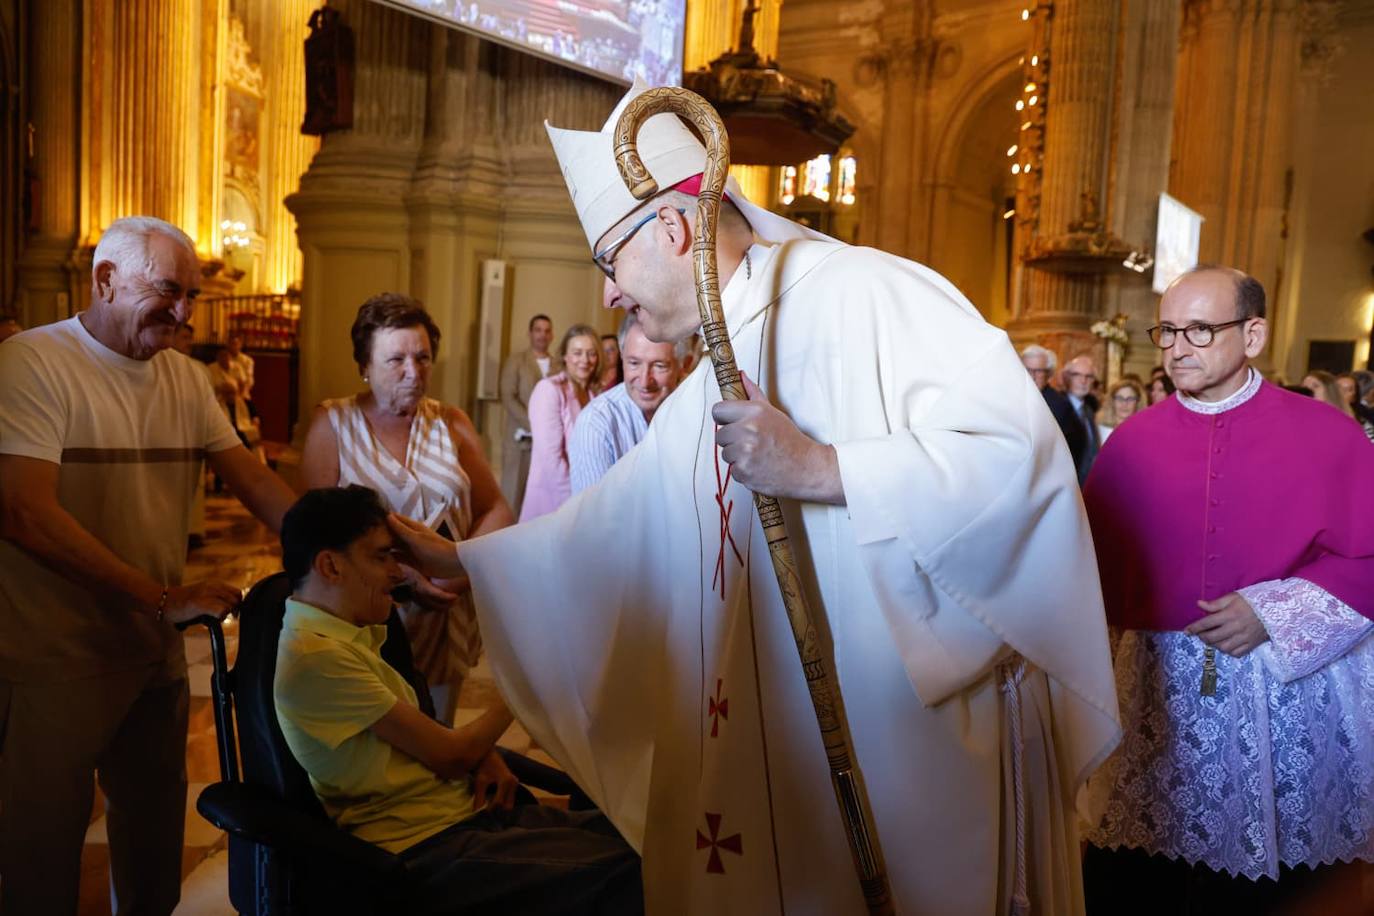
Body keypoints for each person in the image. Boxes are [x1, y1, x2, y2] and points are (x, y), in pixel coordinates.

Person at [389, 81, 1119, 915]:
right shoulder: (724, 353)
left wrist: (825, 468)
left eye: (608, 263)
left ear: (672, 227)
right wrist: (465, 560)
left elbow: (1017, 460)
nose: (609, 296)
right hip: (778, 749)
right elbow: (621, 521)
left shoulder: (862, 292)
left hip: (906, 748)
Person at [0, 215, 297, 915]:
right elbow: (22, 512)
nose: (186, 312)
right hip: (52, 658)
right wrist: (161, 598)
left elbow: (256, 486)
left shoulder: (187, 382)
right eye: (169, 291)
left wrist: (341, 552)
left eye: (193, 296)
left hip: (150, 656)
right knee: (39, 860)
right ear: (105, 279)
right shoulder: (32, 364)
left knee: (151, 857)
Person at [1081, 266, 1374, 913]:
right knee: (1138, 873)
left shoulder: (1329, 435)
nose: (1176, 348)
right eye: (1168, 331)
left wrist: (1270, 611)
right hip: (1155, 692)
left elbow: (1368, 554)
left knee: (1274, 888)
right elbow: (1091, 574)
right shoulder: (1130, 443)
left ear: (1253, 334)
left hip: (1283, 690)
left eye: (1199, 330)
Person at [275, 485, 643, 915]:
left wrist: (479, 755)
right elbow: (450, 756)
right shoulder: (316, 656)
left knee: (642, 836)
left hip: (460, 814)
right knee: (633, 872)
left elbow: (421, 742)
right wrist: (525, 679)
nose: (398, 573)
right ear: (330, 565)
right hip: (424, 847)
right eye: (381, 557)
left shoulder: (346, 635)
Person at [299, 293, 513, 721]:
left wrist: (454, 574)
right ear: (364, 365)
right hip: (362, 619)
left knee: (436, 727)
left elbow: (497, 510)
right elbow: (310, 536)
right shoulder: (333, 424)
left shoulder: (450, 422)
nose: (413, 373)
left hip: (443, 615)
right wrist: (405, 577)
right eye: (395, 360)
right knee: (375, 748)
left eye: (423, 357)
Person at [569, 303, 690, 493]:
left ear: (682, 365)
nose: (644, 380)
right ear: (622, 359)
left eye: (659, 366)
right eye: (634, 363)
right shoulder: (596, 423)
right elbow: (594, 519)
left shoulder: (696, 414)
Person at [518, 324, 601, 521]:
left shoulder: (593, 394)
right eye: (577, 353)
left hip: (584, 500)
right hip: (553, 503)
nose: (585, 360)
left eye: (591, 354)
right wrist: (576, 506)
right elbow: (552, 460)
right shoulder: (549, 390)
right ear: (564, 355)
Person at [498, 314, 560, 515]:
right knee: (513, 496)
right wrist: (535, 424)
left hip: (548, 445)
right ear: (530, 333)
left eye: (547, 330)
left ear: (552, 335)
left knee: (542, 499)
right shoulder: (516, 361)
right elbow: (508, 396)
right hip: (520, 441)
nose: (542, 335)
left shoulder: (558, 365)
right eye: (538, 330)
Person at [1022, 343, 1087, 469]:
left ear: (1049, 374)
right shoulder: (1011, 397)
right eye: (1027, 369)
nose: (1032, 376)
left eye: (1038, 371)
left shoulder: (1060, 406)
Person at [1062, 355, 1101, 484]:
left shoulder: (1089, 411)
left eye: (1088, 376)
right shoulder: (1057, 408)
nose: (1083, 381)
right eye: (1077, 375)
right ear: (1067, 378)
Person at [1098, 377, 1144, 443]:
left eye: (1130, 399)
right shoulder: (1100, 430)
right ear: (1112, 401)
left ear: (1138, 402)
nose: (1124, 404)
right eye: (1119, 398)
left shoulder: (1144, 430)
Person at [225, 332, 254, 400]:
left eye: (235, 344)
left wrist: (239, 391)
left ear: (240, 345)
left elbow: (249, 380)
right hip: (225, 397)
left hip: (242, 396)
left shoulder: (247, 361)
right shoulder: (223, 359)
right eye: (230, 344)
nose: (232, 346)